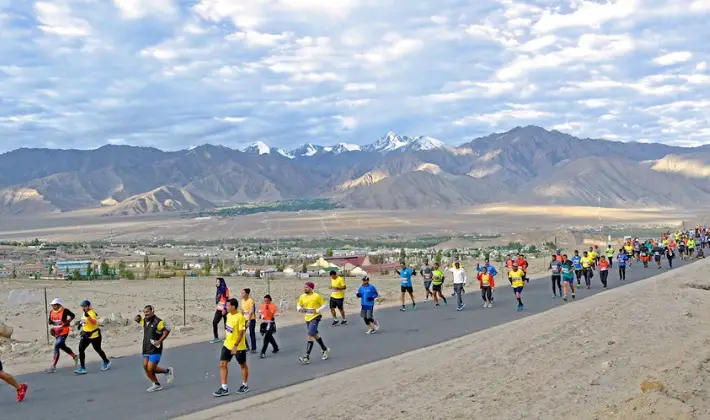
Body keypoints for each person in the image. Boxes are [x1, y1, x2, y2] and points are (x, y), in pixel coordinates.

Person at [213, 298, 249, 397]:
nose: (226, 307)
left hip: (238, 347)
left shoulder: (240, 317)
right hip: (227, 344)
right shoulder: (228, 315)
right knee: (222, 364)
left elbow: (241, 332)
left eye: (228, 305)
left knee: (242, 365)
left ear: (233, 306)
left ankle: (245, 385)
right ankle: (224, 388)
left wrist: (236, 346)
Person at [134, 305, 174, 392]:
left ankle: (167, 371)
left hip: (155, 349)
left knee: (151, 368)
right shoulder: (145, 320)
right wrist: (137, 319)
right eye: (144, 312)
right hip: (146, 347)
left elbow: (167, 330)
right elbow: (139, 320)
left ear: (152, 311)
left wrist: (159, 341)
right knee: (145, 366)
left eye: (147, 312)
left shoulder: (158, 322)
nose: (146, 314)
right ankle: (156, 384)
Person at [74, 300, 111, 374]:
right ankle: (82, 368)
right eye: (82, 306)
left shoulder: (92, 313)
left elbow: (94, 322)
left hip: (94, 335)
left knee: (97, 349)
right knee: (81, 349)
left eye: (85, 306)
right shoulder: (84, 313)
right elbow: (84, 320)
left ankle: (106, 361)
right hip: (86, 335)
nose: (83, 308)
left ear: (88, 306)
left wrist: (88, 317)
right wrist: (80, 324)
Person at [297, 282, 330, 364]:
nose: (305, 289)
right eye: (304, 287)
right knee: (315, 334)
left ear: (311, 288)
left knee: (310, 335)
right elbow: (298, 304)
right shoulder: (302, 296)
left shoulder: (317, 296)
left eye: (307, 287)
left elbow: (325, 305)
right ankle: (325, 349)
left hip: (315, 317)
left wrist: (317, 310)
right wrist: (299, 309)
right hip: (307, 318)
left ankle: (306, 357)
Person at [46, 298, 79, 373]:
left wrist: (68, 321)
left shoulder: (65, 311)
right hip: (56, 332)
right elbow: (50, 322)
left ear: (58, 305)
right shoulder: (51, 312)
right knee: (62, 346)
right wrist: (50, 323)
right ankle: (75, 356)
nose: (53, 307)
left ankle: (53, 366)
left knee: (57, 346)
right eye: (52, 305)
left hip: (64, 331)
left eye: (54, 305)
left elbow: (73, 315)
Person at [210, 278, 230, 344]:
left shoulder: (225, 290)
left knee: (226, 324)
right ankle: (216, 337)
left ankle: (229, 338)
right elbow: (218, 300)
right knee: (214, 322)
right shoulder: (218, 290)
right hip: (219, 309)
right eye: (216, 282)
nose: (217, 283)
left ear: (221, 282)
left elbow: (227, 300)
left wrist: (224, 309)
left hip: (225, 309)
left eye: (218, 282)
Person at [240, 289, 257, 353]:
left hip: (251, 319)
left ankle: (253, 349)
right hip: (244, 319)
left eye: (243, 293)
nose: (242, 294)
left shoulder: (251, 301)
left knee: (251, 333)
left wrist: (249, 321)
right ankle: (246, 347)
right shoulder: (242, 301)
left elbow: (251, 312)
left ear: (247, 294)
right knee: (241, 332)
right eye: (241, 293)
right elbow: (242, 310)